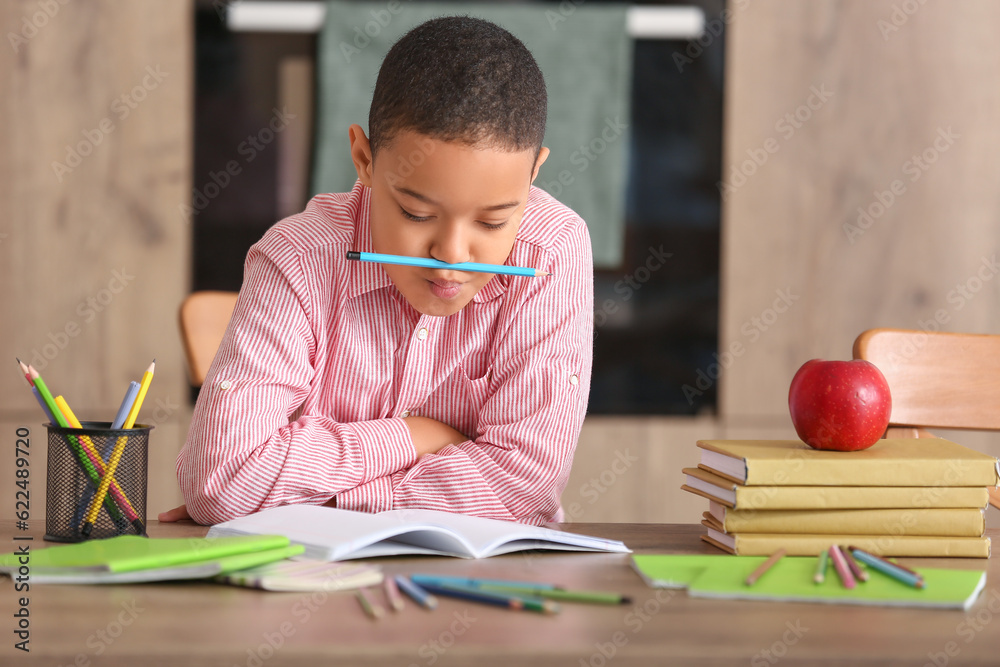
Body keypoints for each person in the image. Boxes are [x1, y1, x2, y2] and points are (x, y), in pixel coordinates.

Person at [161, 16, 594, 526]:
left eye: (493, 221)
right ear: (364, 159)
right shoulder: (299, 259)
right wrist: (415, 436)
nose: (451, 254)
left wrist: (324, 502)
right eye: (416, 214)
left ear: (534, 171)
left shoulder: (552, 250)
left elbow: (523, 491)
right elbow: (223, 480)